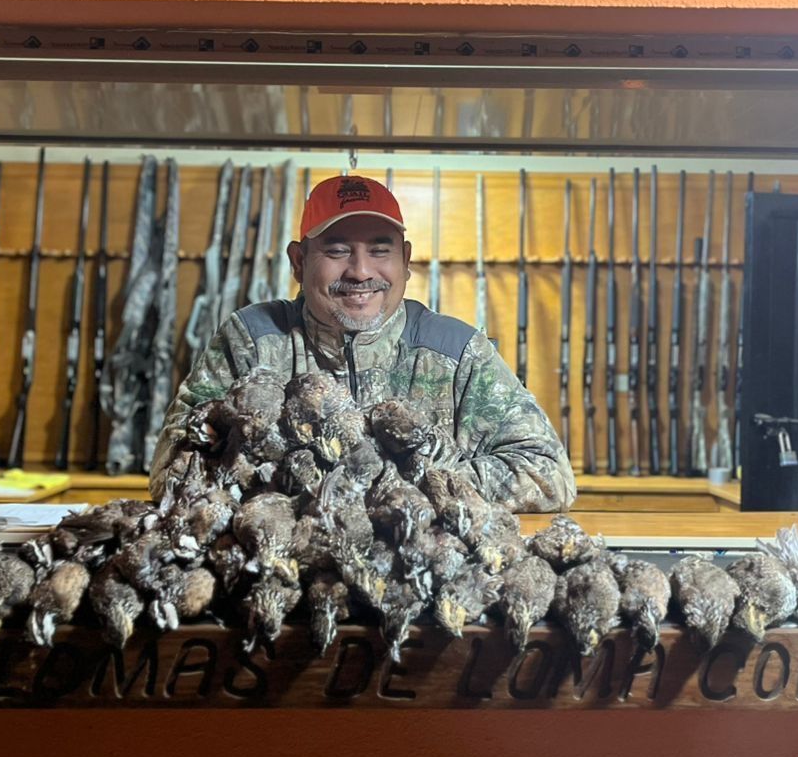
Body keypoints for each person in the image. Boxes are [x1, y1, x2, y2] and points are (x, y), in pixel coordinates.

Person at [151, 173, 575, 512]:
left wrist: (396, 488)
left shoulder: (455, 350)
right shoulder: (252, 340)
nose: (359, 271)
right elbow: (173, 468)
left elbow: (547, 473)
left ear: (405, 261)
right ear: (299, 262)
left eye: (379, 250)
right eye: (337, 251)